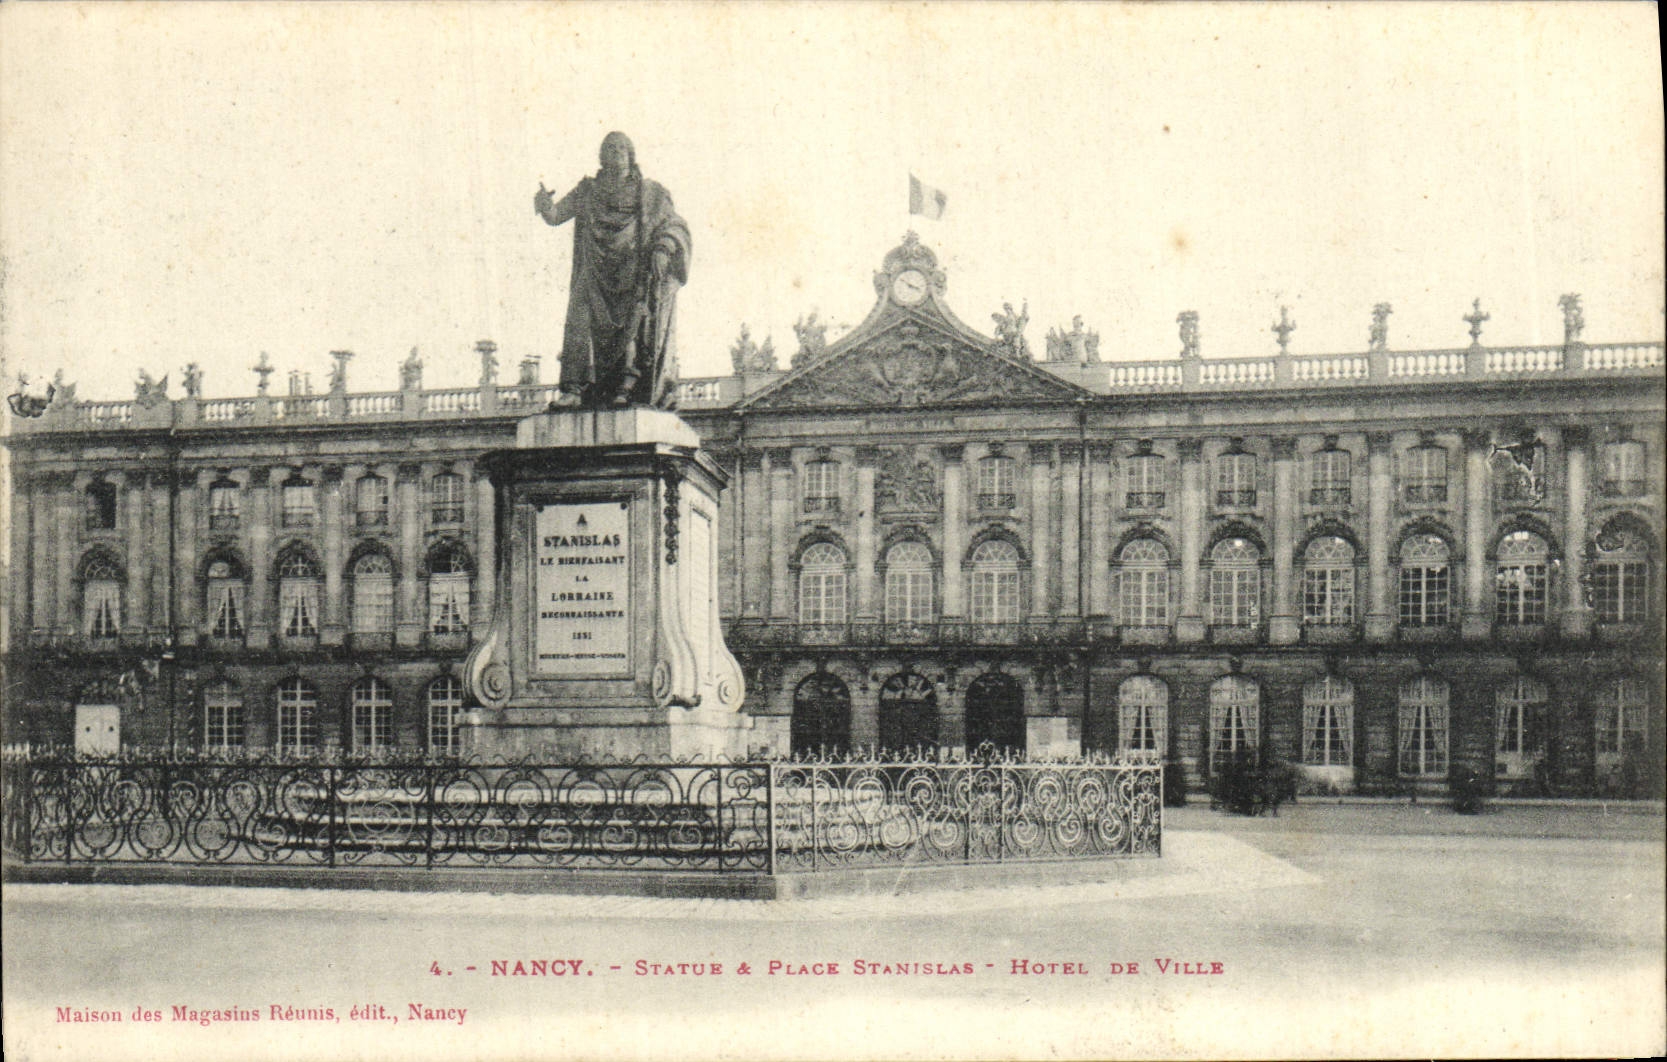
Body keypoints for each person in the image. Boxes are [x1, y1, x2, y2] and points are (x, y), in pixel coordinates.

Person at [536, 132, 689, 409]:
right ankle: (573, 388)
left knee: (632, 324)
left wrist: (664, 248)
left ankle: (626, 385)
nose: (615, 151)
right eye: (609, 147)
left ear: (631, 155)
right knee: (578, 320)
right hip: (594, 268)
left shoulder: (651, 192)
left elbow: (673, 224)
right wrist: (545, 206)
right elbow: (556, 215)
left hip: (632, 269)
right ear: (601, 156)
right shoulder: (587, 190)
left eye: (620, 147)